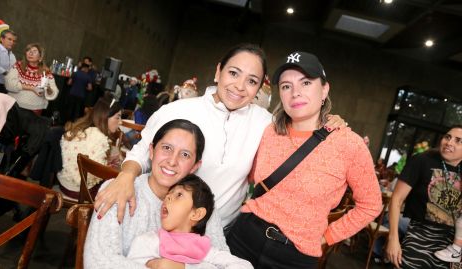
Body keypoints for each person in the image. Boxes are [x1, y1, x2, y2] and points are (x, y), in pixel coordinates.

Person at [94, 43, 346, 227]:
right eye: (233, 73)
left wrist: (328, 121)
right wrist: (126, 176)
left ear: (259, 88)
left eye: (251, 81)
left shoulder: (265, 124)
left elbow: (299, 137)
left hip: (220, 235)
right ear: (218, 72)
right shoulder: (178, 110)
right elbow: (142, 151)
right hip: (164, 225)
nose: (239, 86)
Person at [226, 51, 382, 268]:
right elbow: (250, 176)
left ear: (325, 89)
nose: (295, 93)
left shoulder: (349, 144)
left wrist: (328, 236)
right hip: (243, 236)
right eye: (286, 86)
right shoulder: (269, 131)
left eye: (306, 82)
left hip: (294, 256)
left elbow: (371, 205)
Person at [84, 119, 229, 268]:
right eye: (167, 148)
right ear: (152, 151)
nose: (172, 161)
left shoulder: (200, 203)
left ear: (195, 166)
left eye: (185, 155)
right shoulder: (118, 189)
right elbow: (98, 262)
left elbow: (224, 263)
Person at [127, 174, 253, 268]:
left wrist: (183, 267)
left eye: (179, 195)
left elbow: (244, 266)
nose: (168, 197)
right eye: (168, 194)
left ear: (196, 214)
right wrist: (153, 264)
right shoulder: (148, 241)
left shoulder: (205, 251)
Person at [386, 125, 462, 269]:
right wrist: (393, 238)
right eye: (448, 137)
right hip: (418, 238)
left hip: (452, 246)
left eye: (458, 141)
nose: (449, 142)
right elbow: (396, 200)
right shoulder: (422, 161)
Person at [57, 95, 124, 200]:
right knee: (119, 187)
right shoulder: (100, 138)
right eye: (118, 117)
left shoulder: (82, 128)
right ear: (105, 116)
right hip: (81, 190)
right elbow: (94, 175)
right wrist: (110, 167)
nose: (120, 122)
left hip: (64, 183)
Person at [5, 43, 58, 115]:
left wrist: (48, 88)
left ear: (40, 57)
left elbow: (53, 93)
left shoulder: (46, 72)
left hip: (35, 110)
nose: (30, 53)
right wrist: (32, 88)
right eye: (28, 50)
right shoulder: (18, 65)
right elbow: (9, 84)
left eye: (34, 51)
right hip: (14, 106)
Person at [0, 29, 17, 94]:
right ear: (2, 39)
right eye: (9, 39)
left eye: (14, 41)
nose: (12, 42)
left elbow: (14, 67)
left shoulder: (12, 55)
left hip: (6, 85)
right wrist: (6, 73)